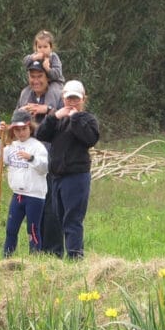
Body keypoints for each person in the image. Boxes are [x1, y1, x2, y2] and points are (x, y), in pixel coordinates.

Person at [35, 79, 100, 259]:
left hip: (76, 176)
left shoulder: (88, 120)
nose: (72, 102)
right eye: (69, 98)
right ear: (63, 98)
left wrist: (75, 118)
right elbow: (41, 134)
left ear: (83, 99)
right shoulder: (58, 120)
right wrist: (54, 116)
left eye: (76, 99)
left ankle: (75, 257)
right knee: (59, 217)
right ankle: (60, 254)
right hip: (57, 177)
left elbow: (90, 139)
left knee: (73, 219)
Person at [0, 109, 49, 257]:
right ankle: (7, 258)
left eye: (24, 129)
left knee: (32, 229)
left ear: (30, 127)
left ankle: (34, 258)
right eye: (17, 130)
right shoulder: (12, 146)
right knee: (11, 229)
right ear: (13, 130)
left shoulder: (37, 146)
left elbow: (45, 168)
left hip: (34, 195)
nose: (21, 133)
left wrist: (31, 158)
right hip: (17, 194)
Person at [17, 59, 64, 127]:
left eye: (40, 76)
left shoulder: (58, 95)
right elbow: (15, 122)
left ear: (48, 78)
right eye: (32, 76)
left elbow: (65, 123)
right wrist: (21, 113)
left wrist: (48, 110)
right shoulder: (25, 94)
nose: (36, 81)